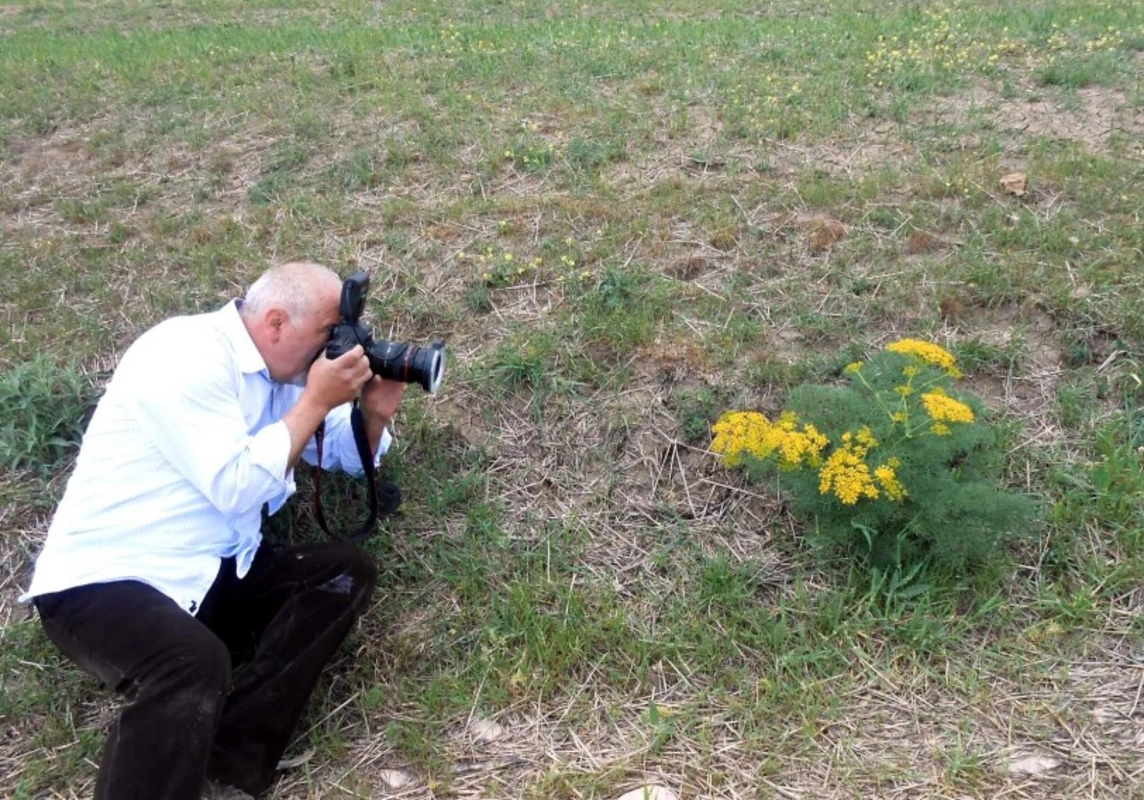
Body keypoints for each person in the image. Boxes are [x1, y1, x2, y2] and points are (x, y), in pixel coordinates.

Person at [19, 261, 406, 799]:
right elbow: (238, 486)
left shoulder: (281, 372)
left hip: (211, 573)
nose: (334, 349)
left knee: (341, 573)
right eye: (327, 334)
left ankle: (226, 767)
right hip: (104, 584)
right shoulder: (183, 354)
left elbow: (337, 450)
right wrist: (317, 399)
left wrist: (372, 416)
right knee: (190, 663)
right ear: (275, 324)